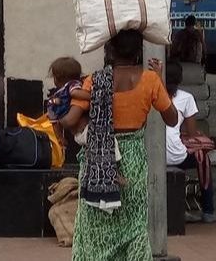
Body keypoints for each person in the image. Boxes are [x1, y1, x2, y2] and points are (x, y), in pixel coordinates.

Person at [61, 29, 179, 260]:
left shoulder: (95, 80)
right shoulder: (150, 80)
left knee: (96, 227)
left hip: (98, 161)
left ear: (110, 50)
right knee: (134, 226)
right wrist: (160, 82)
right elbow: (172, 119)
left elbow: (71, 120)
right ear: (138, 52)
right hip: (133, 162)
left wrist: (56, 111)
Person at [164, 61, 215, 223]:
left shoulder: (153, 95)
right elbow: (192, 133)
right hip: (177, 156)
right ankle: (208, 211)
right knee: (203, 158)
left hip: (154, 154)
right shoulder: (186, 98)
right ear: (180, 79)